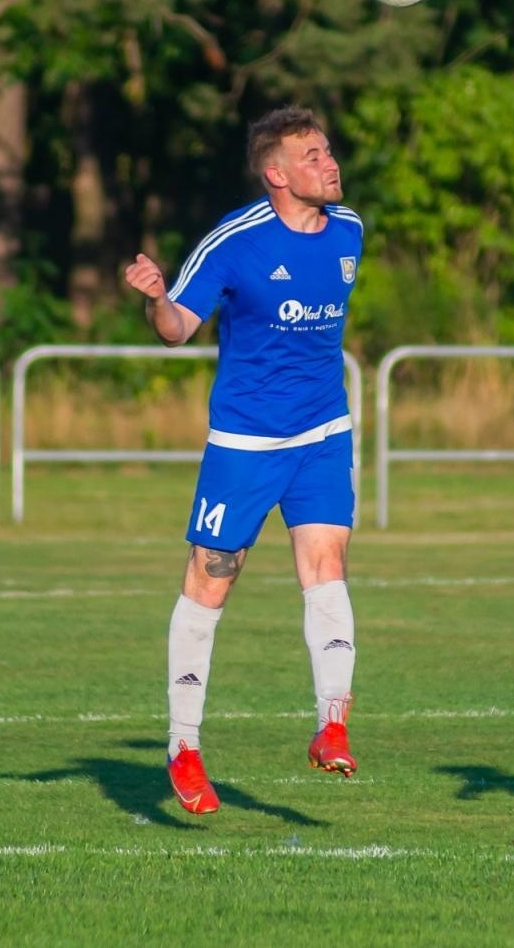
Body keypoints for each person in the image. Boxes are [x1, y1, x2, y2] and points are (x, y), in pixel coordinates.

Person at [123, 106, 363, 816]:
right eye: (313, 155)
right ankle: (185, 747)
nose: (330, 163)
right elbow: (177, 330)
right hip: (246, 443)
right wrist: (157, 297)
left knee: (327, 567)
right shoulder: (234, 242)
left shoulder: (350, 229)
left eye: (328, 151)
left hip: (323, 433)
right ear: (277, 174)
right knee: (211, 580)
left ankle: (332, 724)